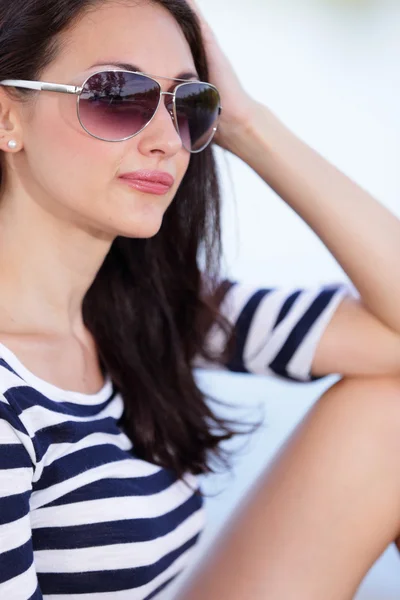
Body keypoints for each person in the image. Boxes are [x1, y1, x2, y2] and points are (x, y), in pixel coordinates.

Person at [0, 1, 399, 599]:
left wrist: (246, 124)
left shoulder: (142, 316)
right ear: (8, 117)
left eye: (188, 105)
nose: (166, 140)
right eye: (116, 95)